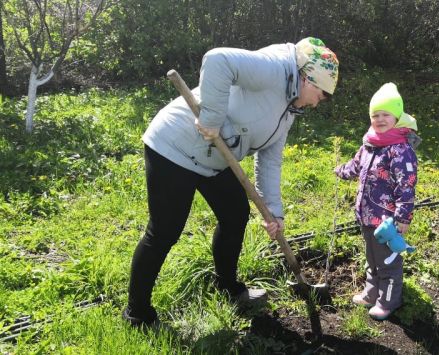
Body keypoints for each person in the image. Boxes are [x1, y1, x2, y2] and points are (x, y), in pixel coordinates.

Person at [122, 37, 339, 326]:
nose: (317, 104)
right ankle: (137, 314)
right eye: (321, 96)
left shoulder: (288, 109)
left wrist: (274, 211)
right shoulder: (275, 68)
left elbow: (270, 159)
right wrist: (211, 118)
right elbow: (217, 60)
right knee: (165, 230)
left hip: (214, 158)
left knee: (235, 213)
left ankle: (227, 286)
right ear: (309, 79)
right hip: (173, 147)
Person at [335, 83, 419, 320]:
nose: (380, 119)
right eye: (375, 115)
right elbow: (355, 166)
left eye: (385, 114)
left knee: (388, 260)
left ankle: (389, 300)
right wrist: (341, 171)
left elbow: (406, 185)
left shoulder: (400, 150)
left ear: (397, 117)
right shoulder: (370, 144)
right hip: (366, 214)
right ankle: (372, 293)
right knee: (372, 257)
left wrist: (403, 217)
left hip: (387, 220)